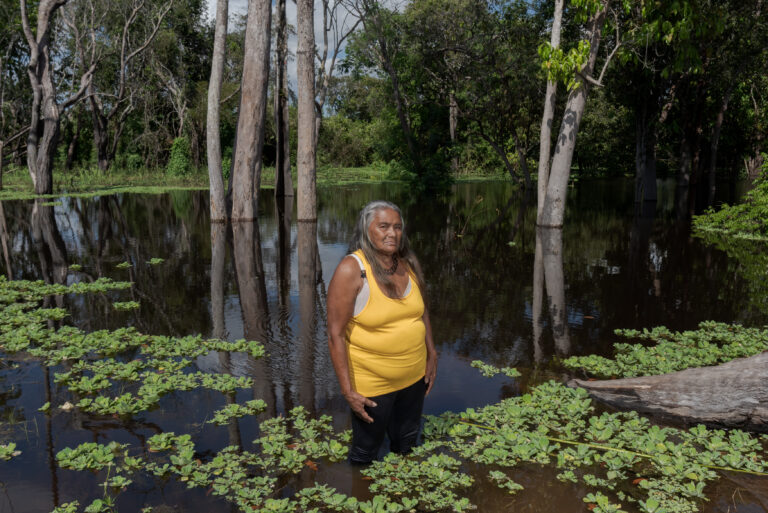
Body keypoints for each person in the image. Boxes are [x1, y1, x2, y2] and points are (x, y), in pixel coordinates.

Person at [327, 200, 438, 464]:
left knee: (407, 444)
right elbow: (335, 334)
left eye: (398, 227)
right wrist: (347, 391)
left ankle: (403, 488)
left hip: (413, 378)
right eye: (384, 226)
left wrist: (432, 353)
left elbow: (422, 312)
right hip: (373, 384)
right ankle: (361, 489)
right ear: (367, 230)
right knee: (365, 453)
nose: (393, 233)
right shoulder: (352, 270)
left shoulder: (409, 263)